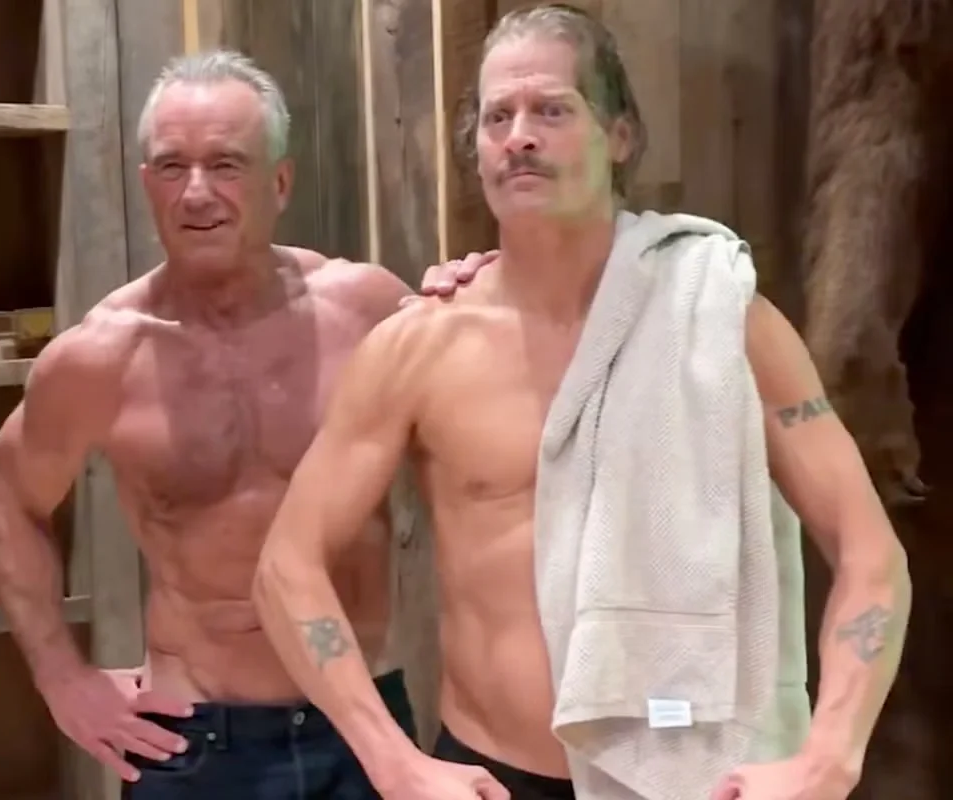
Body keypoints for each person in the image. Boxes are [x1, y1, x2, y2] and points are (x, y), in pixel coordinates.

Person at [252, 6, 911, 800]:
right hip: (494, 777)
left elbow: (870, 554)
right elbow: (285, 568)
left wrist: (831, 754)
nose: (520, 137)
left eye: (552, 110)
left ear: (619, 136)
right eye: (498, 116)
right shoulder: (419, 348)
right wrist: (392, 760)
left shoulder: (721, 318)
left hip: (693, 780)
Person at [0, 49, 478, 799]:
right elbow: (6, 500)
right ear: (146, 182)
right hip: (197, 741)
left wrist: (480, 288)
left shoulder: (366, 313)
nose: (196, 193)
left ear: (281, 182)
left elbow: (492, 433)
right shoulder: (102, 357)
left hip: (363, 727)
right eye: (171, 167)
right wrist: (61, 678)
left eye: (226, 165)